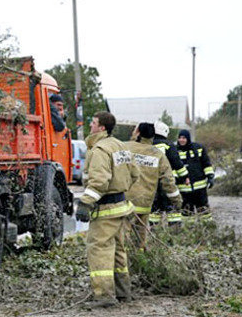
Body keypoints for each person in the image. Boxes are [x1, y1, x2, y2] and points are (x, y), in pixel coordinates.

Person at [75, 111, 138, 308]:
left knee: (99, 249)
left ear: (102, 127)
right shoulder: (120, 146)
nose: (90, 126)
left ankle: (104, 296)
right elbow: (135, 173)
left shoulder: (100, 150)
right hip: (121, 207)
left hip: (106, 209)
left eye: (93, 123)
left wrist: (85, 203)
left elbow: (99, 182)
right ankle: (123, 292)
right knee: (119, 250)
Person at [125, 123, 182, 250]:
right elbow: (168, 180)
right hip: (145, 203)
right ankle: (140, 261)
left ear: (138, 133)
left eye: (134, 130)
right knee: (140, 239)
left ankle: (126, 264)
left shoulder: (125, 148)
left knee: (123, 239)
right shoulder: (157, 154)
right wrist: (177, 200)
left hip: (126, 202)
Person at [150, 121, 189, 225]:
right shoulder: (168, 145)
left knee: (154, 211)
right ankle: (174, 233)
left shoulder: (147, 145)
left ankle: (153, 233)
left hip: (151, 183)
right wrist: (185, 176)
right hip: (167, 182)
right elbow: (177, 163)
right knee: (173, 209)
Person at [177, 129, 214, 220]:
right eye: (180, 138)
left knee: (204, 212)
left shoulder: (198, 148)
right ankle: (189, 231)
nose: (181, 140)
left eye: (184, 138)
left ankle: (207, 229)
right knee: (187, 213)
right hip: (184, 190)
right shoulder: (175, 151)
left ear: (188, 138)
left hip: (200, 188)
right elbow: (173, 168)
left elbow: (206, 164)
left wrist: (210, 177)